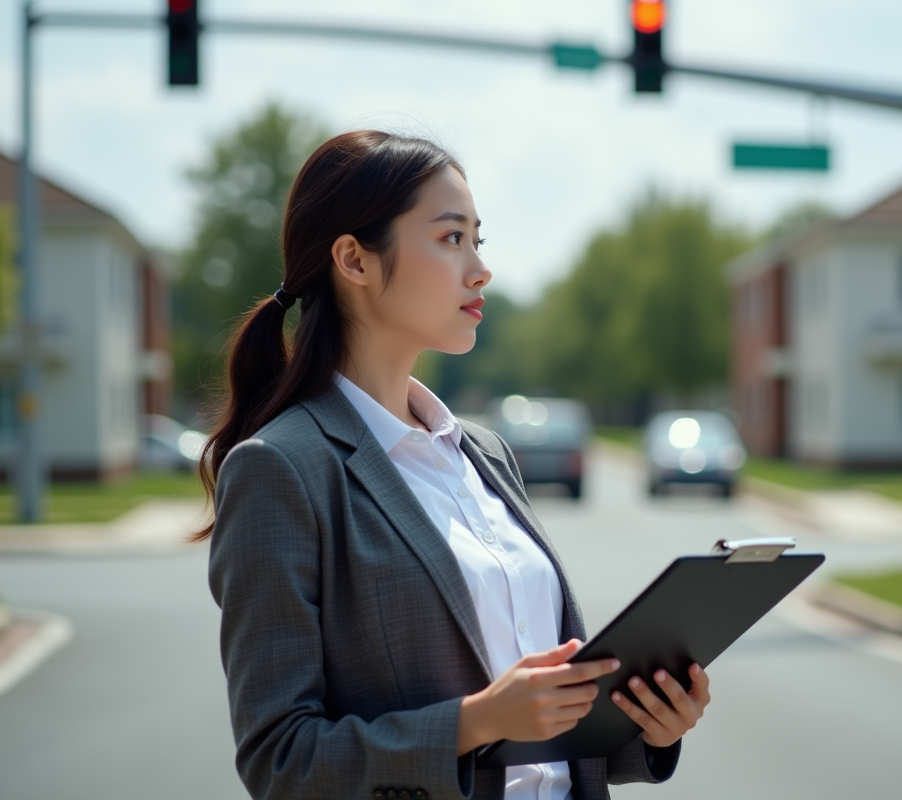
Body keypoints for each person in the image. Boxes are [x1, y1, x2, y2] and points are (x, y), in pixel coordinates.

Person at [198, 132, 711, 800]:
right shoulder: (280, 470)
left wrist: (647, 725)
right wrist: (476, 721)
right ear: (354, 260)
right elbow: (281, 762)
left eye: (478, 240)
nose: (480, 269)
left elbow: (543, 736)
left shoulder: (485, 454)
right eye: (451, 238)